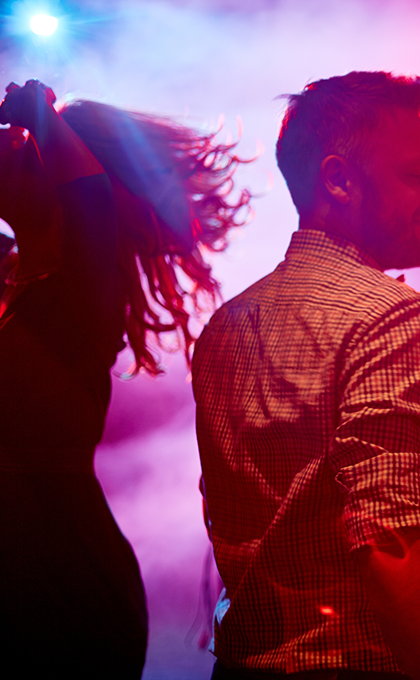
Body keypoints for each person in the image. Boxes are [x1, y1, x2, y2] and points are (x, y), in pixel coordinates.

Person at [192, 71, 420, 680]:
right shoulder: (391, 316)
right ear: (338, 179)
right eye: (414, 172)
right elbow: (392, 543)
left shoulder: (228, 323)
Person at [0, 80, 250, 676]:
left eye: (30, 139)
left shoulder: (82, 300)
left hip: (59, 597)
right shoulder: (28, 288)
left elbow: (90, 201)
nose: (8, 140)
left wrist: (42, 113)